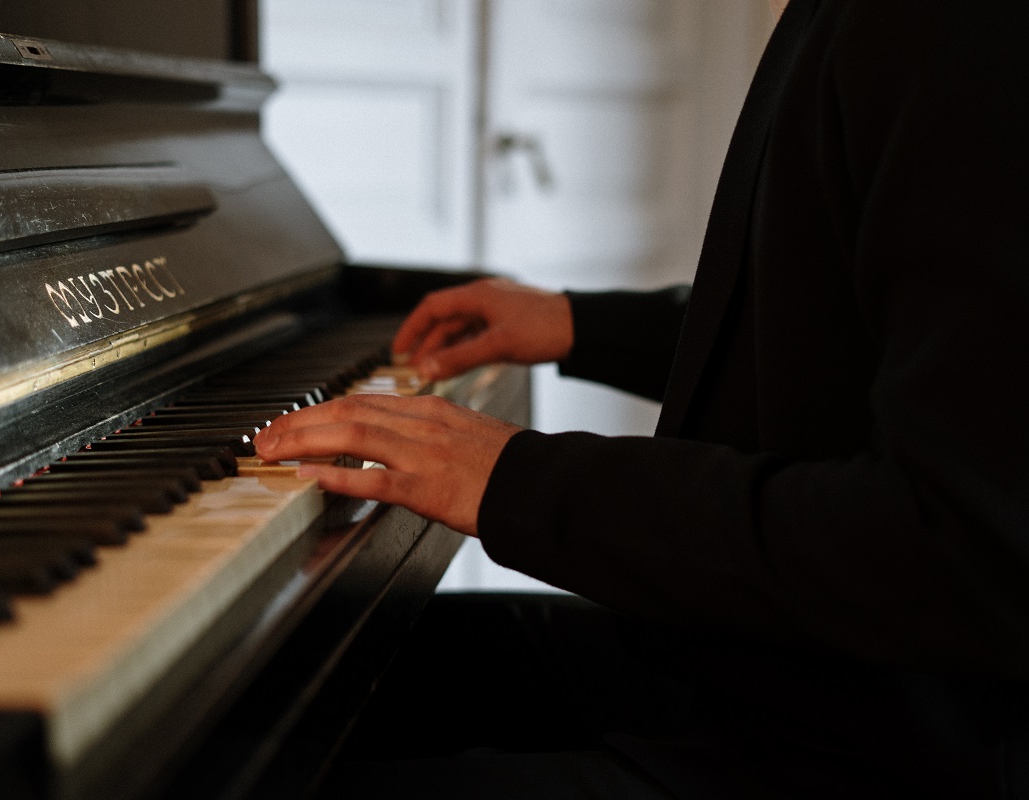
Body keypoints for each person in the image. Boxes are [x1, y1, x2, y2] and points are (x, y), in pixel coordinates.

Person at [253, 0, 1029, 796]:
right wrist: (579, 324)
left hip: (887, 742)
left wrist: (514, 479)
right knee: (266, 688)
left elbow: (960, 549)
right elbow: (855, 336)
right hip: (775, 662)